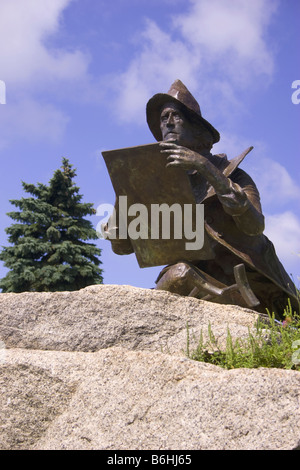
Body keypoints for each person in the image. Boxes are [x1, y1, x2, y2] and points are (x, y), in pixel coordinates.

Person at [105, 79, 298, 318]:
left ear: (197, 129)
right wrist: (126, 191)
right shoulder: (161, 186)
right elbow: (121, 246)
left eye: (175, 115)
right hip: (197, 282)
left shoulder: (233, 173)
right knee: (176, 275)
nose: (167, 122)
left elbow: (254, 225)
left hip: (260, 290)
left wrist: (207, 169)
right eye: (163, 118)